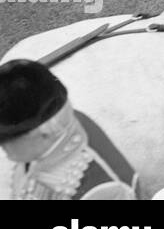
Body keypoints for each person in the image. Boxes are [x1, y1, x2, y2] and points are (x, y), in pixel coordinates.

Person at [0, 59, 139, 200]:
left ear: (44, 132)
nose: (2, 146)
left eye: (6, 138)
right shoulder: (48, 134)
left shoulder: (99, 192)